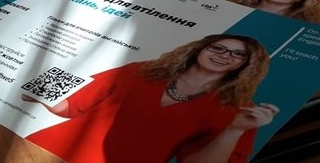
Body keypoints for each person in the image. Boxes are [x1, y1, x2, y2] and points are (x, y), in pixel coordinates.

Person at [23, 34, 278, 163]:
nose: (224, 55)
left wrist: (234, 130)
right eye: (218, 47)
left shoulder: (239, 111)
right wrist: (31, 82)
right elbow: (70, 106)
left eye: (237, 54)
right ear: (199, 49)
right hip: (40, 152)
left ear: (248, 64)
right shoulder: (142, 70)